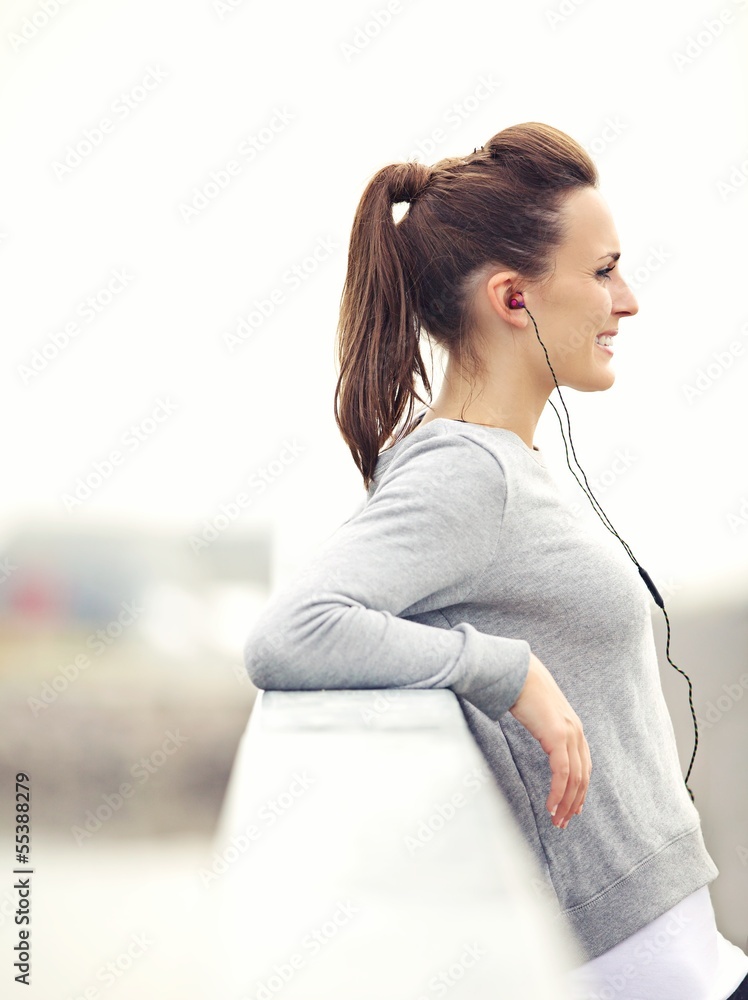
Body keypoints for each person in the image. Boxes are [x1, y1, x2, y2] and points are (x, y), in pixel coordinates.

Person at [243, 122, 748, 999]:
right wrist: (505, 671)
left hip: (690, 958)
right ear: (514, 299)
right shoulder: (464, 472)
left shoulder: (502, 462)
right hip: (647, 974)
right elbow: (291, 633)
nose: (627, 301)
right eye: (602, 271)